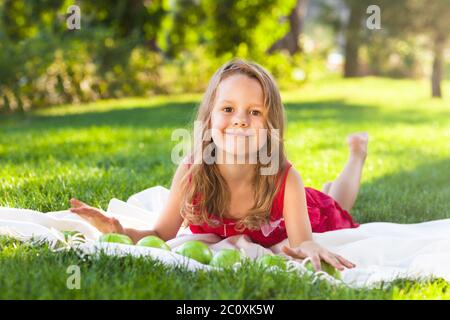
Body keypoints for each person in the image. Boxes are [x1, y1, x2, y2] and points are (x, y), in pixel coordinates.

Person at [70, 59, 369, 272]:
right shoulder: (192, 173)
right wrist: (121, 230)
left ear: (270, 126)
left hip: (309, 211)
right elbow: (161, 235)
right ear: (209, 117)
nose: (240, 119)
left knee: (336, 201)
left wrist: (311, 247)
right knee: (325, 191)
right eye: (228, 109)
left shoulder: (285, 179)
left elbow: (303, 241)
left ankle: (356, 155)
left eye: (254, 112)